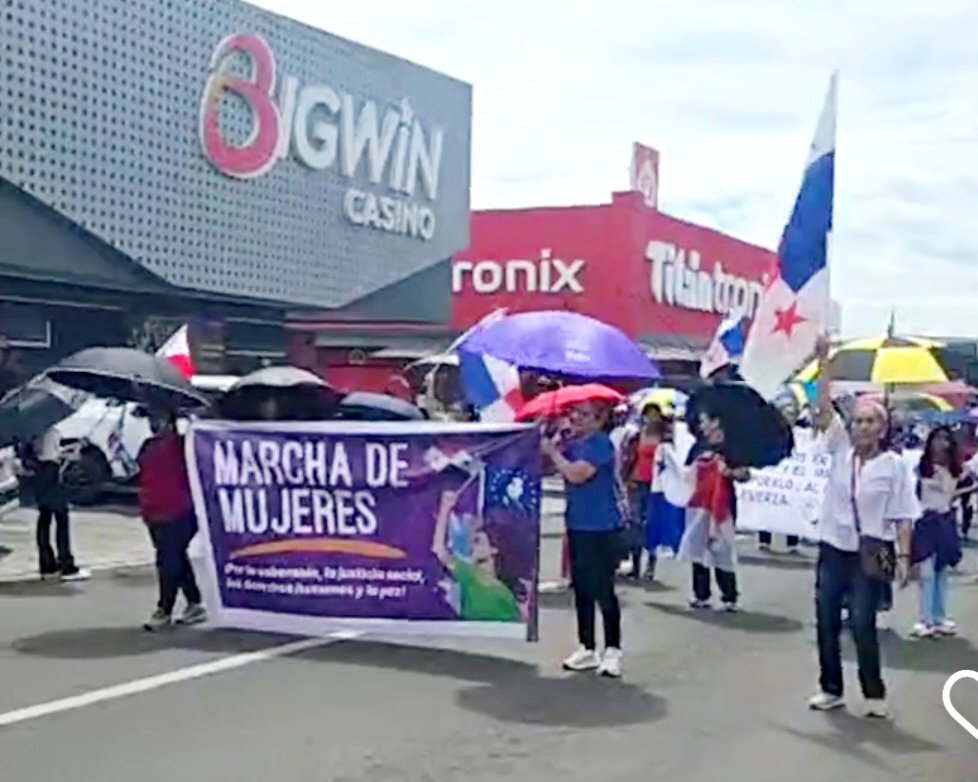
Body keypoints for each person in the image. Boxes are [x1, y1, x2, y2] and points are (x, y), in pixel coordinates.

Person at [809, 337, 917, 718]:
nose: (862, 427)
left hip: (871, 552)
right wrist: (824, 362)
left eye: (870, 421)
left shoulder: (894, 466)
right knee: (824, 619)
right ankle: (831, 688)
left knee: (861, 623)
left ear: (882, 427)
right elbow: (823, 408)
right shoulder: (839, 447)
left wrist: (903, 558)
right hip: (833, 548)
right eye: (858, 421)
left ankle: (873, 692)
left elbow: (904, 514)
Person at [543, 400, 624, 678]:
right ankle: (587, 646)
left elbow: (577, 474)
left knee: (603, 587)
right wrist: (552, 441)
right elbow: (548, 467)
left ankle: (613, 650)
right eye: (574, 413)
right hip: (577, 524)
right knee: (582, 588)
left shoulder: (601, 444)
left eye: (585, 414)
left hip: (603, 525)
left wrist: (554, 453)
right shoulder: (571, 443)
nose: (576, 418)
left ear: (599, 420)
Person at [673, 410, 749, 611]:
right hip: (698, 504)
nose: (701, 425)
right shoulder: (697, 446)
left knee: (721, 548)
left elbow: (745, 474)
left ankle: (729, 595)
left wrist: (728, 471)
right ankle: (701, 594)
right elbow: (686, 472)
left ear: (716, 422)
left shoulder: (732, 447)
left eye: (704, 421)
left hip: (722, 504)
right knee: (698, 546)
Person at [139, 407, 206, 631]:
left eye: (158, 418)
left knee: (167, 559)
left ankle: (164, 609)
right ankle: (194, 603)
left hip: (181, 511)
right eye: (151, 419)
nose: (154, 423)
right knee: (175, 556)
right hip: (153, 511)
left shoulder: (182, 445)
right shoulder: (148, 446)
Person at [432, 490, 523, 622]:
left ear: (493, 549)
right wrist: (444, 509)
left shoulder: (506, 591)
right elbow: (439, 549)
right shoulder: (467, 574)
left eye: (477, 541)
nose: (472, 547)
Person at [910, 425, 965, 638]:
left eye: (945, 439)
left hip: (945, 521)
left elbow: (954, 492)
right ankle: (925, 619)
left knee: (942, 571)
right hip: (925, 521)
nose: (941, 444)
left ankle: (939, 617)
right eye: (937, 439)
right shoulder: (920, 468)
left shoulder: (955, 470)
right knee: (926, 572)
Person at [22, 426, 89, 581]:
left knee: (45, 519)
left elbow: (46, 453)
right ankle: (67, 566)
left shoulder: (33, 430)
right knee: (62, 519)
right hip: (50, 473)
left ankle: (47, 565)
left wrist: (68, 450)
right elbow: (51, 455)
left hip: (40, 474)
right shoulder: (49, 431)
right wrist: (69, 454)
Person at [620, 402, 668, 579]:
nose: (650, 418)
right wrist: (626, 476)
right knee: (634, 524)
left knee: (652, 525)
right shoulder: (637, 436)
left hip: (656, 486)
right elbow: (628, 457)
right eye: (648, 415)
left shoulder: (665, 439)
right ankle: (635, 565)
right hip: (636, 482)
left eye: (654, 414)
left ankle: (651, 565)